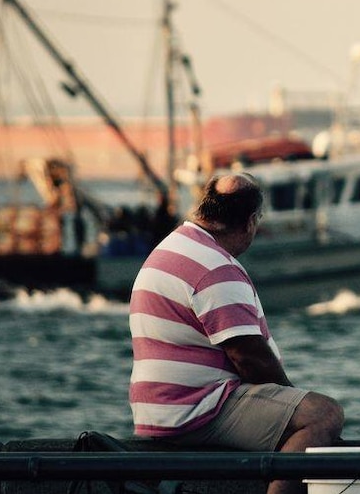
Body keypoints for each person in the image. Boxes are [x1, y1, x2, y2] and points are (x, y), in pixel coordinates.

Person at [128, 173, 344, 494]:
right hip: (197, 409)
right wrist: (290, 403)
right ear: (250, 221)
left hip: (158, 408)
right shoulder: (216, 268)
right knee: (323, 415)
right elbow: (251, 360)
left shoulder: (172, 247)